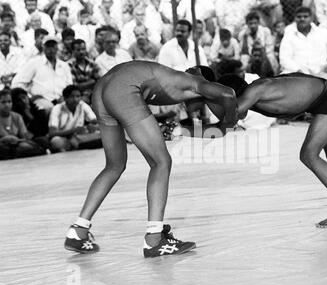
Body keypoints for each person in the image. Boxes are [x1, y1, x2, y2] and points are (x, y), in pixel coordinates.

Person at [64, 61, 238, 257]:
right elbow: (228, 94)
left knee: (114, 165)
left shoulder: (172, 78)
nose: (196, 110)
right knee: (161, 162)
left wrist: (181, 130)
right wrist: (232, 121)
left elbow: (216, 132)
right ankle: (154, 239)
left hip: (102, 89)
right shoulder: (197, 82)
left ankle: (78, 231)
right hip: (123, 89)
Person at [218, 72, 327, 228]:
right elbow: (236, 117)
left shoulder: (255, 90)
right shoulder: (255, 91)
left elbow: (232, 117)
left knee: (309, 155)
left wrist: (207, 99)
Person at [48, 85, 99, 152]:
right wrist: (73, 130)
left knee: (101, 133)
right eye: (72, 97)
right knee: (56, 141)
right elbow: (52, 133)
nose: (75, 99)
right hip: (64, 138)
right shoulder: (57, 109)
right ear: (65, 98)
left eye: (78, 96)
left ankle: (76, 146)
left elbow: (95, 121)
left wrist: (93, 126)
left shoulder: (82, 105)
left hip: (80, 137)